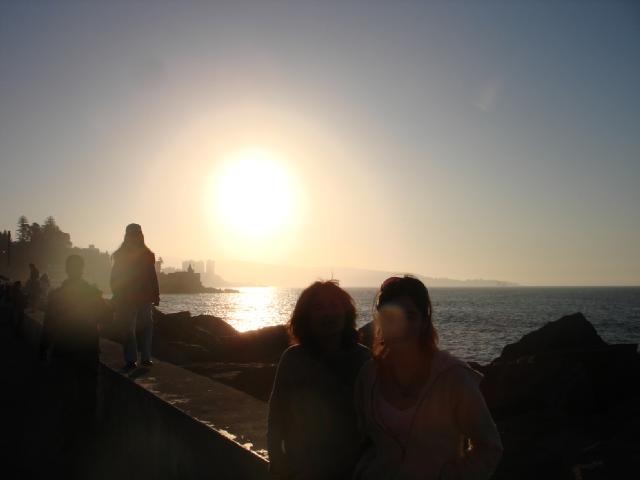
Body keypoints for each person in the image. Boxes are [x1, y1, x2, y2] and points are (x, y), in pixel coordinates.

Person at [353, 275, 503, 480]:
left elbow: (489, 448)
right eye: (390, 316)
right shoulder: (369, 376)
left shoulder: (453, 377)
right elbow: (364, 439)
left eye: (410, 316)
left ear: (424, 322)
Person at [267, 280, 371, 480]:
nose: (328, 313)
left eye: (334, 305)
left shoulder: (363, 360)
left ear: (346, 312)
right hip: (303, 470)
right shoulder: (293, 359)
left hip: (354, 471)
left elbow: (374, 423)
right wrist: (277, 458)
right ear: (306, 316)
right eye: (318, 308)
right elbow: (277, 412)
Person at [39, 255, 111, 477]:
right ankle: (88, 444)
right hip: (87, 352)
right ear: (82, 269)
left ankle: (67, 445)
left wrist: (42, 350)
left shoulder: (57, 296)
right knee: (88, 398)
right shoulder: (92, 292)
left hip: (63, 353)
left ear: (67, 270)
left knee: (65, 398)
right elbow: (108, 318)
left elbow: (48, 326)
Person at [110, 223, 159, 370]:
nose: (135, 237)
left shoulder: (145, 255)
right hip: (129, 297)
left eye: (137, 234)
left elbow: (152, 276)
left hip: (141, 297)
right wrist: (117, 293)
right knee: (131, 328)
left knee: (144, 327)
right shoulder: (123, 255)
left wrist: (156, 295)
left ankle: (143, 358)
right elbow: (115, 277)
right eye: (133, 235)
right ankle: (134, 359)